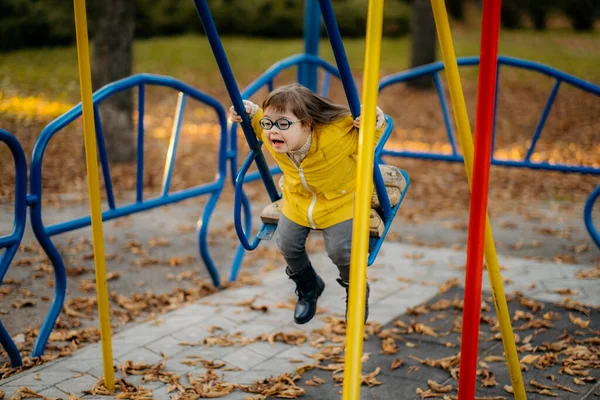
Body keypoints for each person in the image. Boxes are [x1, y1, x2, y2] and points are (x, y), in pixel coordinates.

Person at [230, 83, 386, 325]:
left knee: (341, 251)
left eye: (283, 124)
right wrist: (248, 111)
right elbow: (258, 119)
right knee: (287, 244)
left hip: (341, 201)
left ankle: (356, 290)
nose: (273, 131)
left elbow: (371, 136)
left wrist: (373, 118)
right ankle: (309, 286)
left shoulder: (335, 137)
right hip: (298, 200)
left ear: (306, 124)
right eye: (269, 124)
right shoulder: (273, 137)